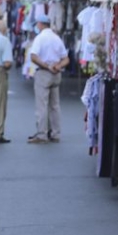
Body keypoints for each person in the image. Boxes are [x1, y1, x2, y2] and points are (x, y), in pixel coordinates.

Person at [27, 14, 68, 144]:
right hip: (56, 74)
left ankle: (42, 134)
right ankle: (55, 133)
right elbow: (66, 58)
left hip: (44, 73)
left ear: (40, 24)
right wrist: (58, 66)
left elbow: (34, 56)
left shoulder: (40, 38)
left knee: (42, 105)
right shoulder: (57, 38)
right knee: (55, 105)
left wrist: (47, 66)